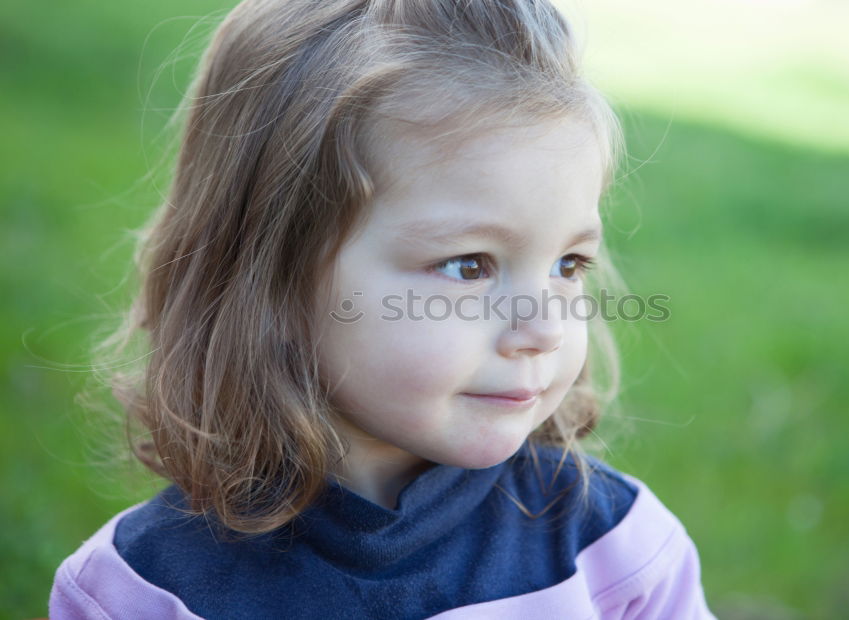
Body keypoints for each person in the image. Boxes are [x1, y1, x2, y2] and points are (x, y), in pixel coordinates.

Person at [49, 0, 715, 617]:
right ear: (273, 284)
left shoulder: (616, 557)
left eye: (569, 266)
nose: (544, 328)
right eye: (468, 266)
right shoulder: (139, 590)